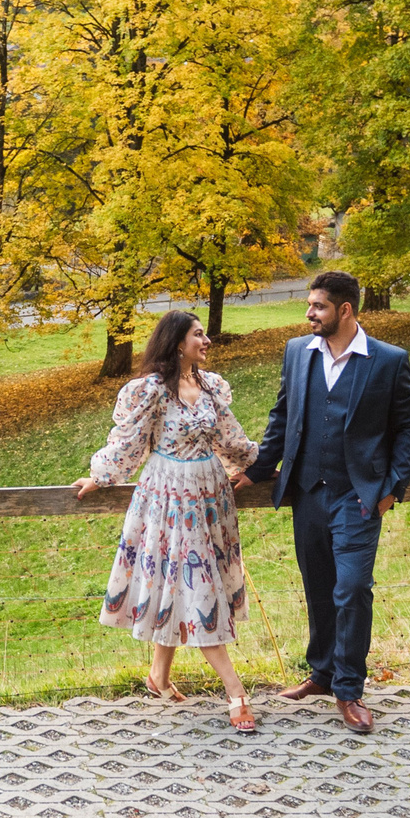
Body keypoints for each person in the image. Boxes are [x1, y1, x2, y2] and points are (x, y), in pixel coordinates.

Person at [243, 271, 410, 734]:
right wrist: (257, 472)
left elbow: (409, 428)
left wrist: (391, 488)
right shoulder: (296, 353)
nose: (308, 314)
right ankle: (321, 675)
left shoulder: (387, 360)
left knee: (352, 589)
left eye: (318, 307)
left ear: (345, 310)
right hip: (306, 493)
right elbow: (282, 417)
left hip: (358, 497)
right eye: (308, 305)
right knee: (320, 587)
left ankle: (349, 688)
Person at [72, 310, 263, 734]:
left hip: (210, 495)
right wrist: (101, 476)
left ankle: (158, 676)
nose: (207, 340)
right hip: (168, 496)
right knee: (199, 586)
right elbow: (128, 443)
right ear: (178, 342)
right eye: (199, 334)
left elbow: (231, 440)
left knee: (180, 583)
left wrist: (265, 466)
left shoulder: (212, 388)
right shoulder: (150, 391)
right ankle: (236, 691)